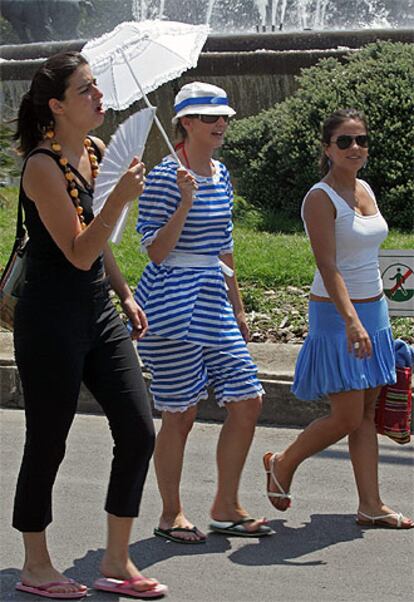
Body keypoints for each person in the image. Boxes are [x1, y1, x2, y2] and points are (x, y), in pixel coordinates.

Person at [12, 51, 168, 599]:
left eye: (97, 86)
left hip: (98, 309)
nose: (99, 97)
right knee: (47, 441)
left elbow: (99, 248)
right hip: (50, 316)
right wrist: (120, 198)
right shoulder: (41, 165)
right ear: (56, 106)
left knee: (137, 428)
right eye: (86, 90)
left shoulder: (99, 152)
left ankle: (117, 561)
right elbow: (78, 251)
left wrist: (124, 293)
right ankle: (36, 565)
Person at [263, 108, 413, 529]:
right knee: (347, 416)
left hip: (374, 309)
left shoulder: (364, 188)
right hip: (337, 313)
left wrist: (372, 315)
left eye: (361, 140)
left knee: (366, 413)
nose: (355, 148)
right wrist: (351, 320)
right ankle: (282, 461)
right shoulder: (319, 197)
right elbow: (328, 266)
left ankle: (371, 504)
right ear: (327, 148)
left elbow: (367, 254)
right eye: (344, 141)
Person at [134, 81, 269, 542]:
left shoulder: (221, 171)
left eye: (224, 116)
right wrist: (185, 200)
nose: (221, 124)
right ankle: (171, 513)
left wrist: (239, 307)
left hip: (213, 296)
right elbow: (154, 251)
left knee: (249, 398)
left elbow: (224, 244)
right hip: (172, 301)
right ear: (185, 123)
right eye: (210, 117)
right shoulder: (162, 175)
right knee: (181, 412)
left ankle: (225, 504)